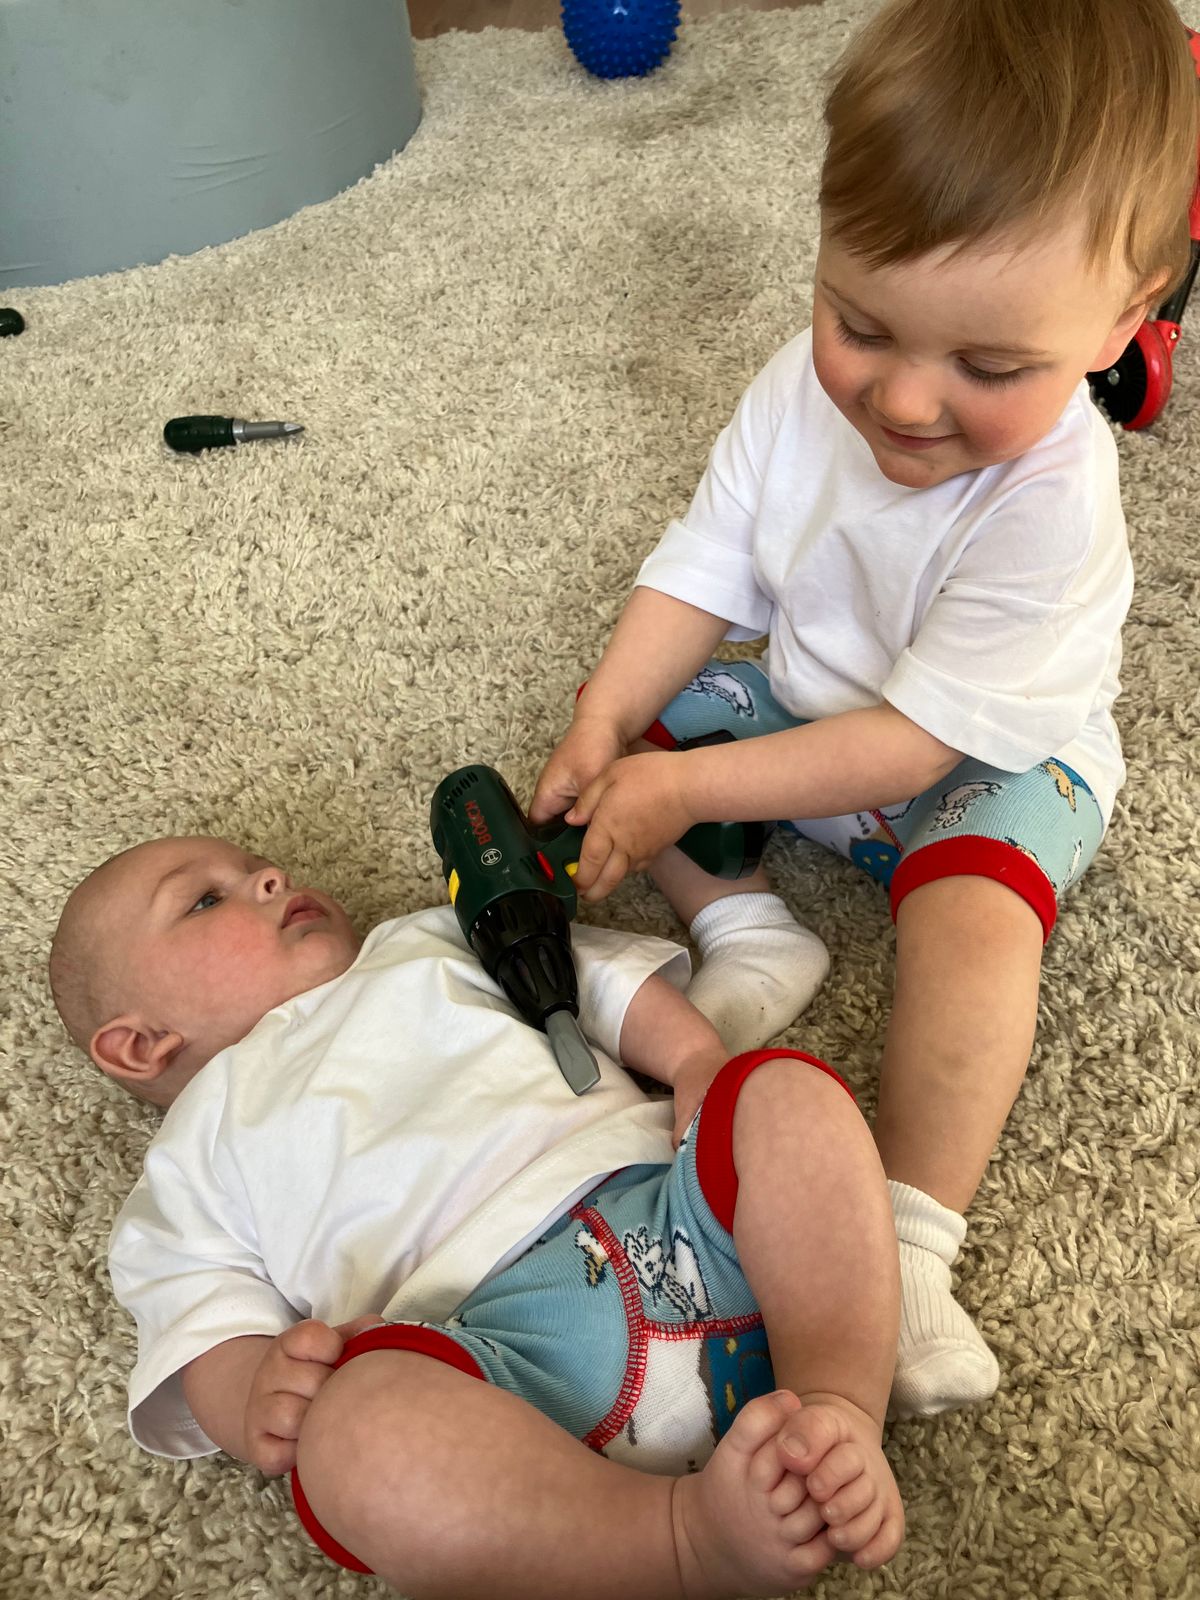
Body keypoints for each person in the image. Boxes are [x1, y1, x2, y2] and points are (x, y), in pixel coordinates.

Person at [530, 0, 1199, 1420]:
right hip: (809, 702)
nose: (901, 399)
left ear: (1124, 320)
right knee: (647, 737)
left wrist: (690, 793)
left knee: (976, 926)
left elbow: (919, 742)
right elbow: (706, 563)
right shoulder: (796, 390)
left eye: (991, 368)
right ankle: (748, 930)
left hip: (985, 761)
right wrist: (607, 720)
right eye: (861, 323)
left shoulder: (1053, 500)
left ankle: (909, 1238)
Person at [50, 835, 904, 1597]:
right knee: (353, 1431)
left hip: (678, 1214)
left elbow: (592, 984)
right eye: (206, 900)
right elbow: (203, 1325)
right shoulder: (187, 1160)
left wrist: (692, 1058)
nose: (269, 877)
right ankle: (681, 1541)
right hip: (496, 1373)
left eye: (254, 867)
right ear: (140, 1044)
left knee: (780, 1095)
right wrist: (258, 1395)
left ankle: (836, 1403)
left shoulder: (421, 943)